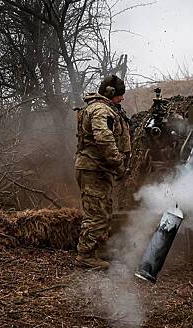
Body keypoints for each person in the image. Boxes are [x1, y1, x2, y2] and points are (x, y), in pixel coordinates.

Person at [74, 75, 132, 269]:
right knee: (96, 214)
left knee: (104, 210)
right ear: (110, 93)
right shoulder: (100, 110)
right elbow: (104, 140)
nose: (122, 98)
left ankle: (99, 249)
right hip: (93, 168)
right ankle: (86, 255)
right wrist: (119, 165)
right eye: (120, 95)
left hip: (99, 169)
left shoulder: (105, 108)